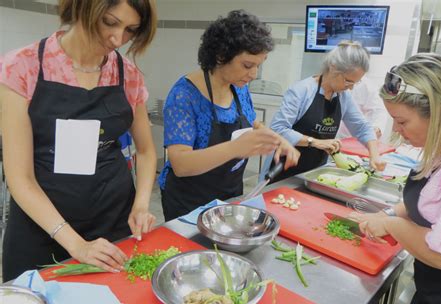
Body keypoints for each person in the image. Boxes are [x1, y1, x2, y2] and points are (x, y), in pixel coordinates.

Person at [0, 0, 158, 281]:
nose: (118, 39)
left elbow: (146, 152)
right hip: (43, 226)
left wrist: (142, 204)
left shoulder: (128, 76)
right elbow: (19, 176)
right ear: (83, 8)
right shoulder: (22, 67)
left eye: (130, 30)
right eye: (109, 22)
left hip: (113, 220)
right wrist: (76, 245)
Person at [348, 53, 441, 304]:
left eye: (403, 121)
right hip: (433, 292)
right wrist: (389, 213)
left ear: (440, 111)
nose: (396, 128)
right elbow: (427, 197)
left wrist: (392, 225)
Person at [159, 10, 299, 221]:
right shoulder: (184, 95)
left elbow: (253, 123)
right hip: (188, 201)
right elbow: (180, 164)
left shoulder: (238, 87)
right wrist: (235, 148)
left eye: (258, 66)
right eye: (247, 65)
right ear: (221, 56)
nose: (253, 75)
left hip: (230, 193)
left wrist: (279, 140)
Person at [262, 41, 385, 183]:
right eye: (348, 81)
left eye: (355, 83)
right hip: (283, 171)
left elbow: (362, 127)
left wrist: (374, 155)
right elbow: (278, 129)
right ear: (333, 68)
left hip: (314, 173)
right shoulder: (301, 91)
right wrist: (315, 142)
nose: (350, 88)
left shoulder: (343, 96)